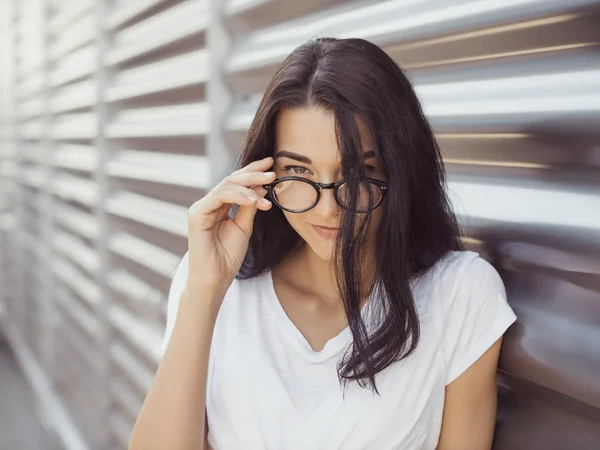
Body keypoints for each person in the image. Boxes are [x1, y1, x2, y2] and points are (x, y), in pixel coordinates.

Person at [129, 37, 517, 450]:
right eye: (299, 170)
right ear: (264, 173)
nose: (330, 208)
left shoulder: (460, 294)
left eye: (357, 172)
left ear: (399, 171)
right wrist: (203, 295)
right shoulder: (212, 283)